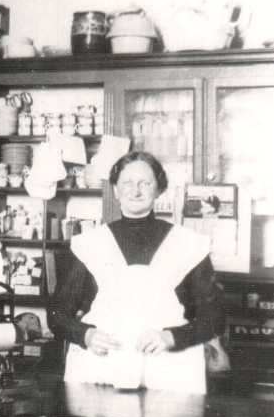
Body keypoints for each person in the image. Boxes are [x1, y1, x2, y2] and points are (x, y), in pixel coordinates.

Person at [48, 151, 224, 393]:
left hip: (170, 371)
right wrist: (85, 335)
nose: (135, 191)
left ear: (159, 189)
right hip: (101, 368)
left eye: (145, 183)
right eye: (127, 183)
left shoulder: (189, 244)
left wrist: (171, 337)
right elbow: (57, 315)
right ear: (115, 190)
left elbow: (215, 317)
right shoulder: (89, 244)